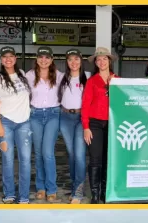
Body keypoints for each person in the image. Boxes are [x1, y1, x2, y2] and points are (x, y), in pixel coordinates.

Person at [0, 46, 32, 204]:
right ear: (1, 60)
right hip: (5, 123)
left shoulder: (22, 75)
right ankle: (9, 194)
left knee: (25, 160)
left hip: (24, 123)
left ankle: (24, 196)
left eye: (11, 56)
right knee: (7, 159)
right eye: (5, 57)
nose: (8, 59)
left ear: (15, 58)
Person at [82, 47, 118, 204]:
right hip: (95, 124)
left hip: (113, 124)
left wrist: (114, 86)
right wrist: (86, 127)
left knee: (108, 159)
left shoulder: (117, 80)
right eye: (99, 59)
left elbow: (122, 103)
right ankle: (95, 195)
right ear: (95, 63)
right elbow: (85, 105)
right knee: (95, 159)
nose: (102, 62)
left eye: (105, 58)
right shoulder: (92, 81)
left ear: (109, 61)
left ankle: (106, 192)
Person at [26, 46, 62, 202]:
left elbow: (77, 80)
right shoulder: (29, 75)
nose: (44, 60)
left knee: (48, 152)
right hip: (35, 115)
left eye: (47, 57)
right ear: (36, 58)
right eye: (41, 57)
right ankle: (40, 187)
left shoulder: (60, 76)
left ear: (52, 59)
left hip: (53, 114)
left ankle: (51, 188)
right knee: (39, 152)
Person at [58, 48, 91, 204]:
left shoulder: (88, 78)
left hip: (81, 119)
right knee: (71, 154)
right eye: (70, 59)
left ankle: (78, 191)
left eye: (76, 59)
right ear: (67, 62)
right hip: (65, 117)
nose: (73, 62)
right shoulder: (61, 78)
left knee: (79, 154)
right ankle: (74, 185)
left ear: (81, 61)